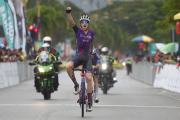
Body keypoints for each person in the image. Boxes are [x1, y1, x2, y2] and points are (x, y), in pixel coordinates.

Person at [65, 7, 94, 111]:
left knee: (89, 78)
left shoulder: (92, 33)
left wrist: (91, 53)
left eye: (86, 22)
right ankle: (76, 85)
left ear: (88, 24)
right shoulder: (77, 30)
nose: (84, 23)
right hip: (78, 57)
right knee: (68, 66)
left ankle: (89, 102)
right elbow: (72, 21)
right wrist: (68, 13)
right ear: (81, 24)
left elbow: (92, 43)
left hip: (87, 59)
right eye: (83, 22)